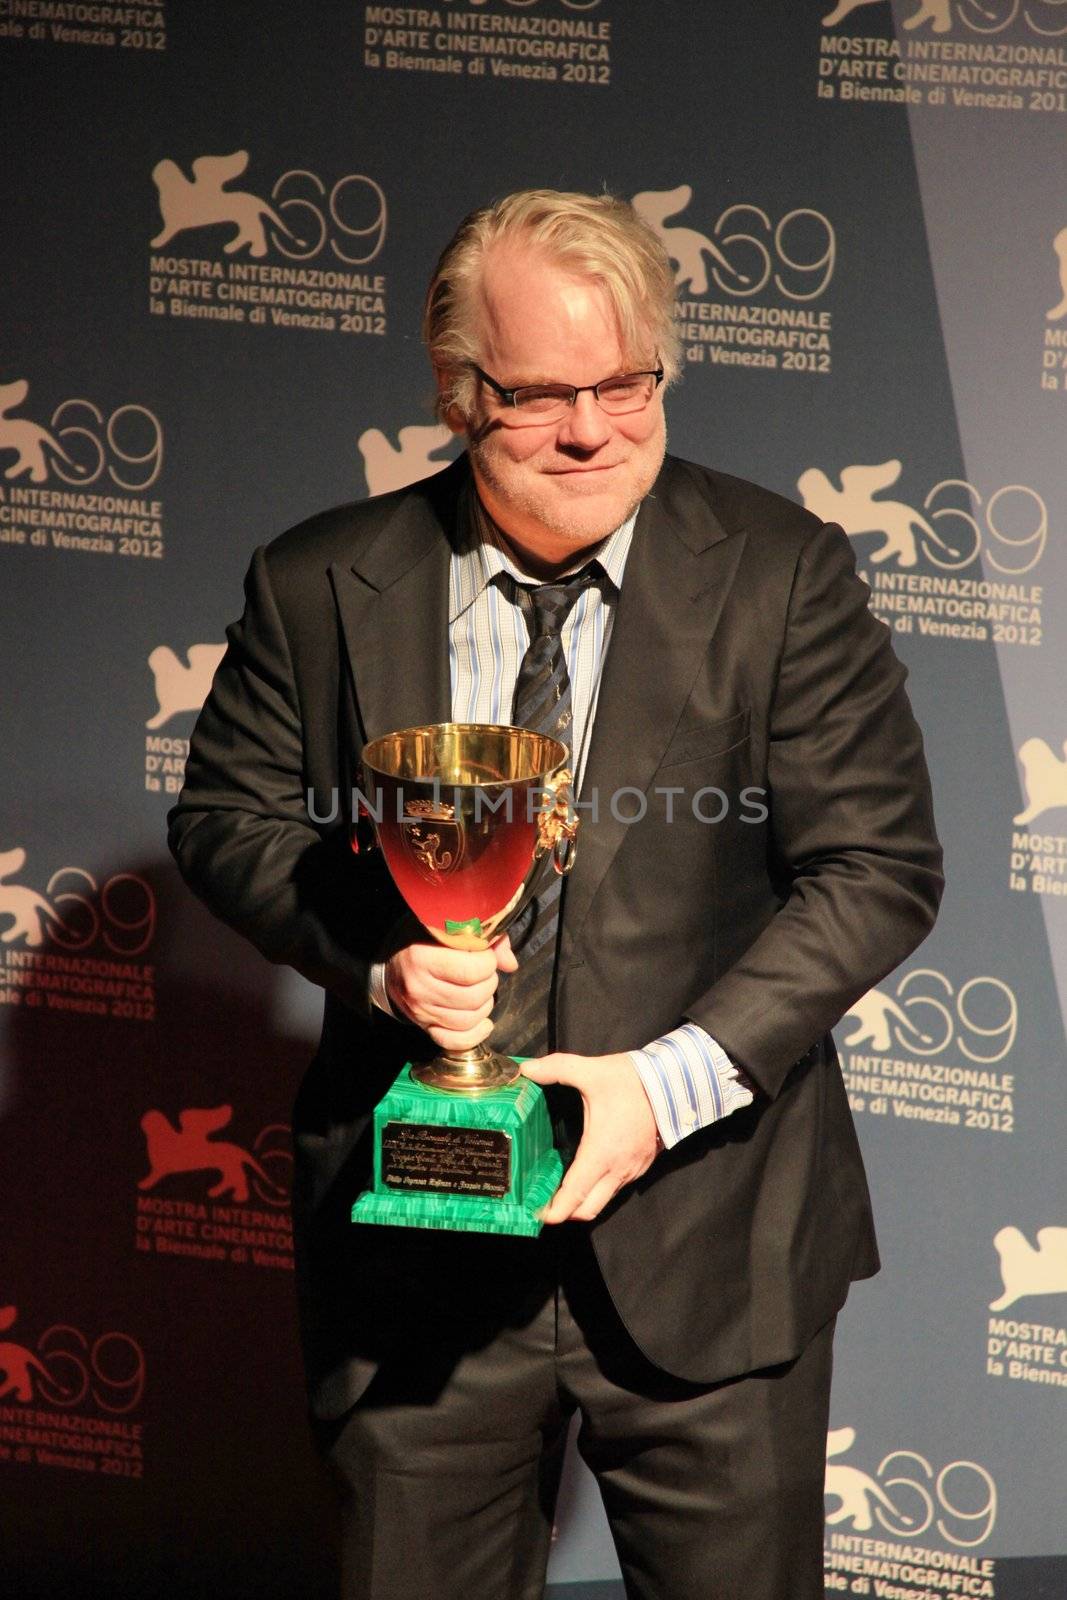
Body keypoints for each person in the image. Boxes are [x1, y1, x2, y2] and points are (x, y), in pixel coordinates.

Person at [168, 189, 943, 1600]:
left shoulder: (781, 574)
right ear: (459, 392)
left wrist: (670, 1083)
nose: (593, 429)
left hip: (714, 1242)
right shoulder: (318, 580)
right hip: (412, 1263)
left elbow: (878, 867)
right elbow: (225, 819)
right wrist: (374, 962)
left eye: (626, 383)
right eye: (539, 395)